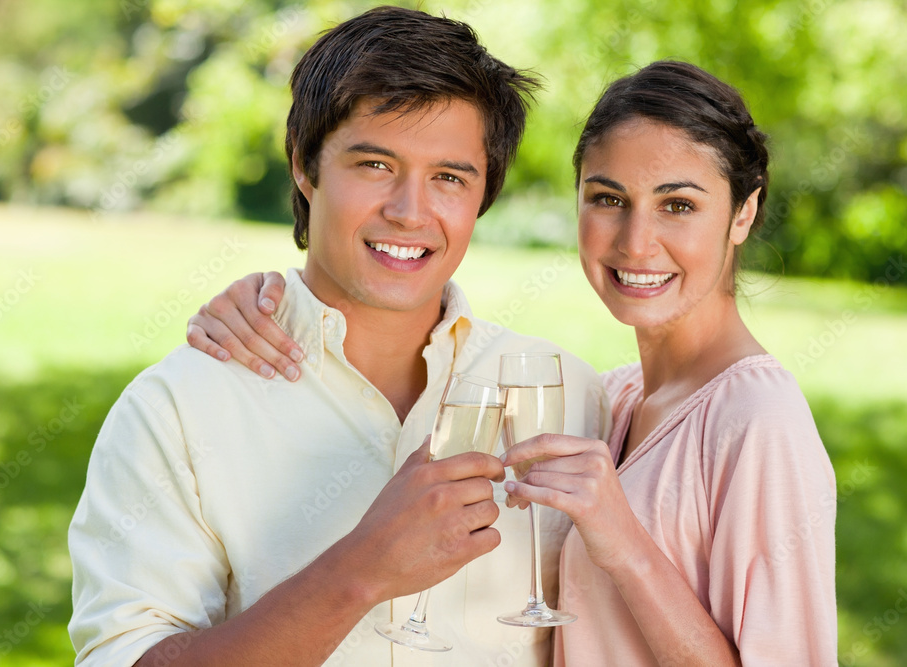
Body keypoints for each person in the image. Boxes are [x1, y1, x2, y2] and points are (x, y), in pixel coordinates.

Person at [185, 61, 838, 664]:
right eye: (608, 198)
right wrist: (276, 300)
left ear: (743, 212)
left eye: (679, 205)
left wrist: (626, 546)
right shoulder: (608, 401)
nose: (636, 242)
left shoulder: (757, 419)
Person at [68, 6, 608, 667]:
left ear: (483, 193)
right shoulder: (178, 409)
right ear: (304, 165)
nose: (409, 211)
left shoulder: (572, 397)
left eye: (448, 177)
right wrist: (362, 570)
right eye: (375, 164)